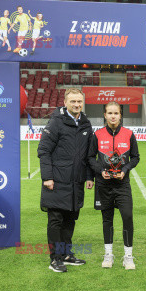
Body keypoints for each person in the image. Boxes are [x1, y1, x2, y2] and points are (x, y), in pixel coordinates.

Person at [38, 88, 94, 273]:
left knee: (70, 219)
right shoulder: (55, 122)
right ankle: (55, 259)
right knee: (56, 220)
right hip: (56, 181)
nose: (77, 104)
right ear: (65, 103)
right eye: (73, 102)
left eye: (79, 101)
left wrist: (88, 177)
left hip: (76, 182)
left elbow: (88, 155)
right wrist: (47, 177)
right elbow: (44, 150)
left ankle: (66, 254)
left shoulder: (86, 124)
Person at [87, 102, 140, 269]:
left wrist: (125, 169)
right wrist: (100, 170)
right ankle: (108, 255)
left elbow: (136, 157)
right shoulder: (97, 135)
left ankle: (128, 256)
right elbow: (90, 158)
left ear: (120, 115)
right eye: (109, 113)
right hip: (103, 184)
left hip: (122, 184)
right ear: (104, 114)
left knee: (127, 217)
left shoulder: (129, 134)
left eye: (116, 113)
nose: (113, 116)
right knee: (107, 220)